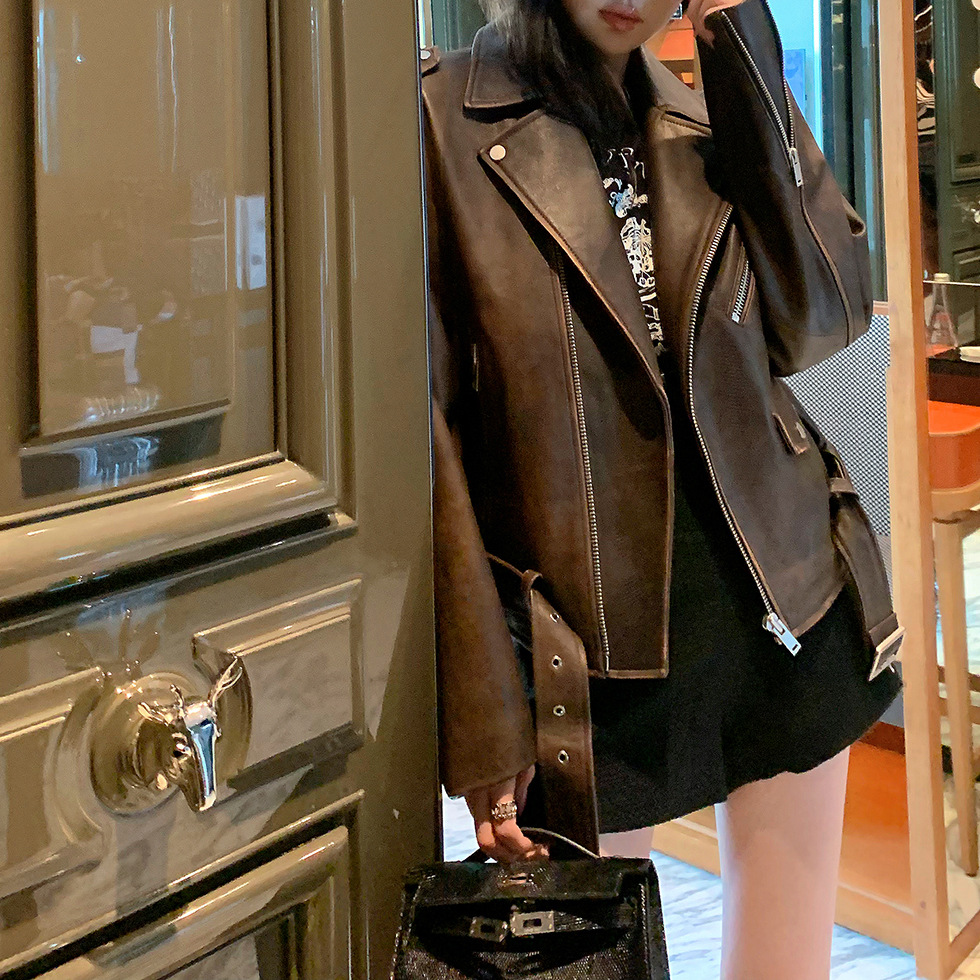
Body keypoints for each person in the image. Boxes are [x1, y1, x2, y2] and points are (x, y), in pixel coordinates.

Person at [421, 1, 903, 977]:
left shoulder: (708, 108)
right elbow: (422, 437)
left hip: (784, 595)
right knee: (588, 961)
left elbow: (830, 324)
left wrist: (743, 54)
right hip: (576, 650)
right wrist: (482, 711)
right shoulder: (439, 121)